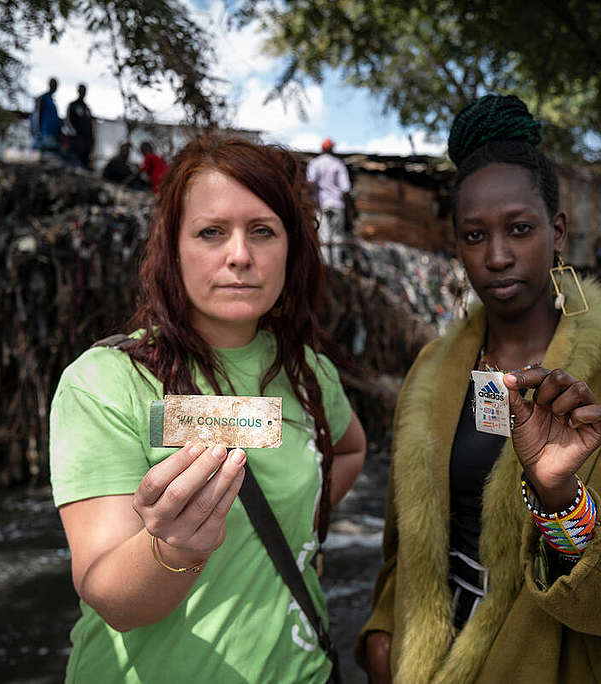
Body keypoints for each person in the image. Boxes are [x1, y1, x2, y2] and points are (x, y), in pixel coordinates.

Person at [357, 94, 601, 683]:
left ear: (557, 231)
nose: (496, 256)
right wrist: (383, 633)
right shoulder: (431, 371)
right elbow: (406, 548)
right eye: (474, 235)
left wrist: (558, 494)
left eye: (519, 229)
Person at [50, 135, 367, 683]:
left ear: (292, 249)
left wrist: (298, 513)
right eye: (211, 232)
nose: (239, 255)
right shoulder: (105, 382)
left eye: (262, 231)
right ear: (172, 248)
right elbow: (112, 598)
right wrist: (174, 547)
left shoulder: (309, 372)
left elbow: (351, 446)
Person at [305, 138, 351, 267]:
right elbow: (345, 187)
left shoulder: (315, 163)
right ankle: (335, 267)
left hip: (321, 205)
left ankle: (325, 266)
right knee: (336, 237)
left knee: (323, 235)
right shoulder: (338, 164)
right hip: (337, 204)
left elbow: (310, 182)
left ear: (322, 149)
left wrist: (314, 196)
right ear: (332, 149)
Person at [66, 83, 95, 169]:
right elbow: (68, 122)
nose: (83, 93)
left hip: (86, 143)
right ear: (78, 91)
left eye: (84, 91)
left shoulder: (87, 108)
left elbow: (90, 124)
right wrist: (75, 135)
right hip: (76, 142)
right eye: (81, 90)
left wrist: (91, 140)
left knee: (84, 164)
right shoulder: (73, 105)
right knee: (75, 163)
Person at [31, 77, 62, 153]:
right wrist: (37, 132)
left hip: (53, 135)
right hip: (44, 135)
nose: (54, 87)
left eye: (55, 85)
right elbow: (36, 116)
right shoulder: (43, 98)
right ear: (49, 85)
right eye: (53, 84)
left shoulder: (52, 101)